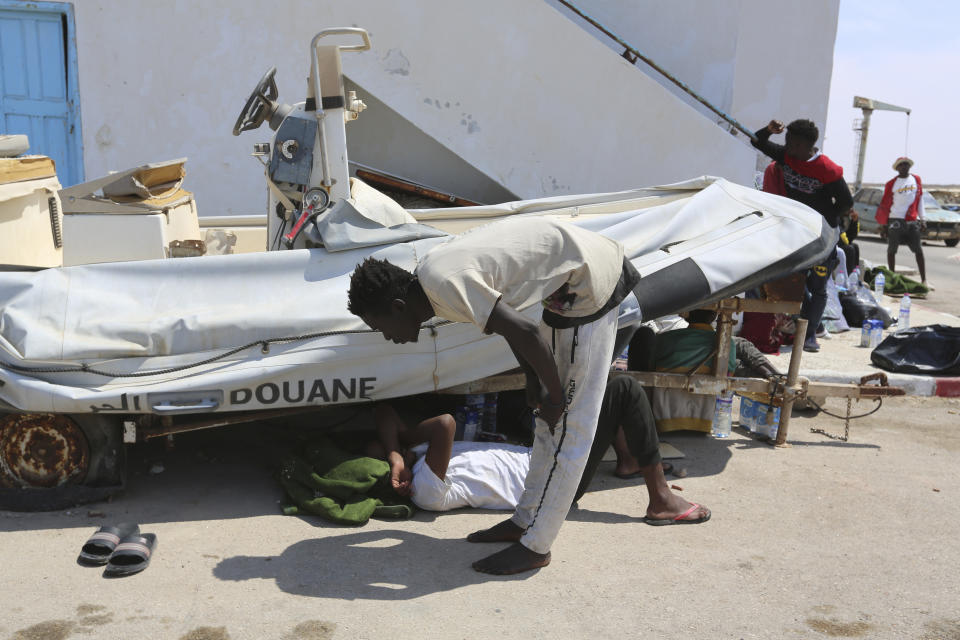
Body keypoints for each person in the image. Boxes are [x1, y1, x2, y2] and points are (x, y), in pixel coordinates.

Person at [347, 217, 639, 575]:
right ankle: (524, 521)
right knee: (546, 425)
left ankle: (537, 546)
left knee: (570, 429)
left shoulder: (443, 284)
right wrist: (535, 381)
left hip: (590, 282)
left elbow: (528, 332)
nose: (387, 338)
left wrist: (555, 395)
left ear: (397, 306)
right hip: (567, 284)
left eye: (380, 328)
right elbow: (511, 325)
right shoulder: (430, 284)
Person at [372, 377, 709, 526]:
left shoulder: (419, 455)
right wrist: (399, 453)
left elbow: (384, 413)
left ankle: (630, 461)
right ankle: (660, 499)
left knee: (598, 386)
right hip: (554, 480)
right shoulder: (426, 491)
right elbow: (445, 423)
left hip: (544, 454)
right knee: (624, 390)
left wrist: (396, 453)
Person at [752, 119, 853, 353]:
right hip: (797, 231)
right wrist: (768, 130)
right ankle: (802, 324)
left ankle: (809, 335)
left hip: (822, 235)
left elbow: (846, 202)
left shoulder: (827, 169)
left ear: (809, 146)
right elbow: (757, 141)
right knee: (793, 280)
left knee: (818, 285)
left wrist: (824, 219)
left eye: (795, 144)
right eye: (787, 142)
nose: (789, 148)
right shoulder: (787, 156)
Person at [875, 157, 928, 287]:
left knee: (918, 250)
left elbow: (920, 200)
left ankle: (924, 280)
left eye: (906, 164)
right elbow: (885, 205)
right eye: (901, 165)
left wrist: (923, 219)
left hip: (912, 220)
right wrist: (883, 225)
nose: (904, 167)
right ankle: (892, 277)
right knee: (892, 250)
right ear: (897, 168)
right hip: (895, 220)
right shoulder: (892, 183)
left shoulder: (916, 180)